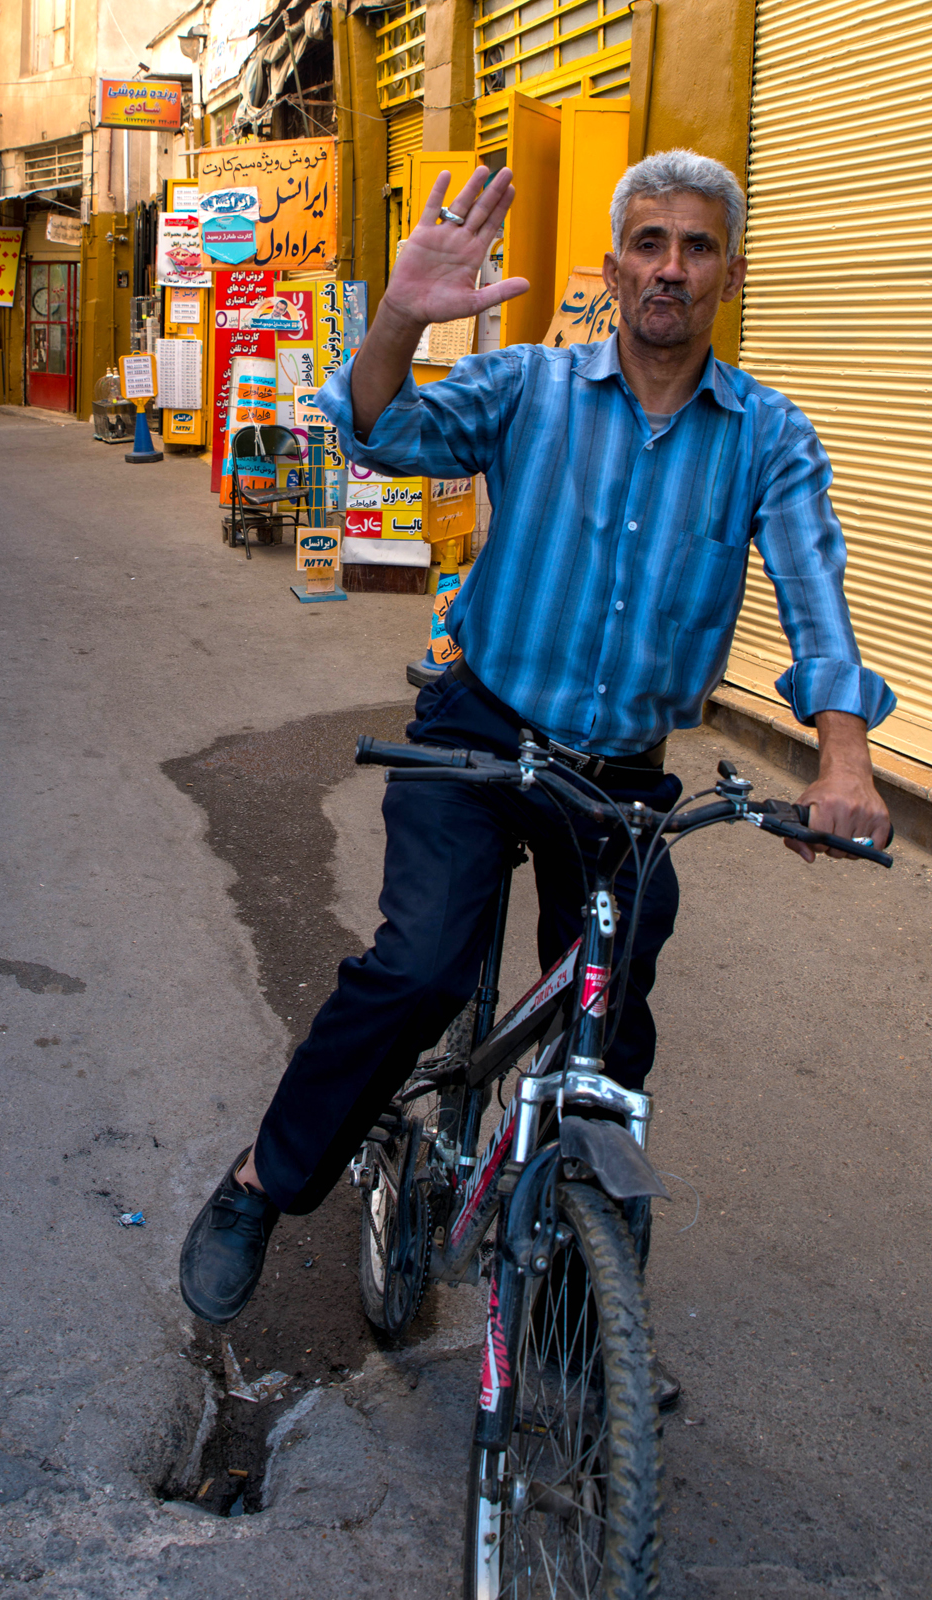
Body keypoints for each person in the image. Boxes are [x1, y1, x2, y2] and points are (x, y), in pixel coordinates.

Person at [179, 148, 894, 1329]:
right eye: (649, 243)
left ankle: (579, 1321)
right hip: (478, 727)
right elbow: (377, 432)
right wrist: (400, 319)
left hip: (615, 771)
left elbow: (815, 588)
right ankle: (266, 1179)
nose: (670, 267)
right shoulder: (529, 387)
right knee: (418, 967)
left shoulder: (768, 436)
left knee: (611, 1022)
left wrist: (844, 755)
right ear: (613, 267)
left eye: (696, 245)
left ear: (731, 273)